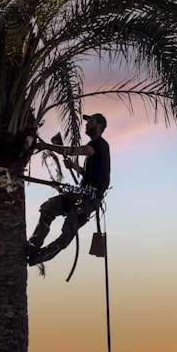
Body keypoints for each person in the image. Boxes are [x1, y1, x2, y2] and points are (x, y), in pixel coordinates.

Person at [26, 113, 111, 266]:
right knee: (48, 208)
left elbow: (73, 150)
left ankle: (39, 256)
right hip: (81, 194)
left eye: (90, 122)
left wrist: (47, 146)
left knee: (67, 232)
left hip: (88, 200)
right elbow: (91, 176)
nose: (86, 124)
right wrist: (75, 167)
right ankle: (33, 245)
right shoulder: (95, 149)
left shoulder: (99, 145)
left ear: (99, 126)